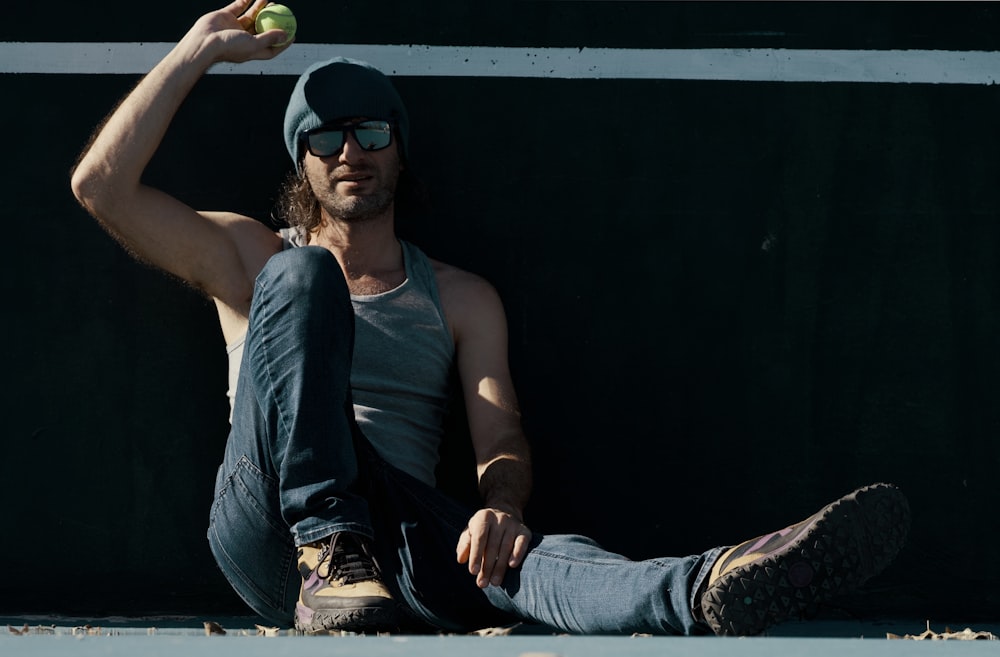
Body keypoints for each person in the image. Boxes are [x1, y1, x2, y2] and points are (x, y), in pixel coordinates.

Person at [71, 0, 910, 637]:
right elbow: (100, 188)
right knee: (303, 276)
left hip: (405, 539)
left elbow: (498, 435)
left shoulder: (462, 296)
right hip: (271, 533)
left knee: (537, 559)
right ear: (303, 161)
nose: (349, 152)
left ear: (399, 147)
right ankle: (330, 543)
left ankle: (708, 582)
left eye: (370, 132)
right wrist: (198, 50)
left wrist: (501, 506)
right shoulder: (253, 258)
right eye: (325, 138)